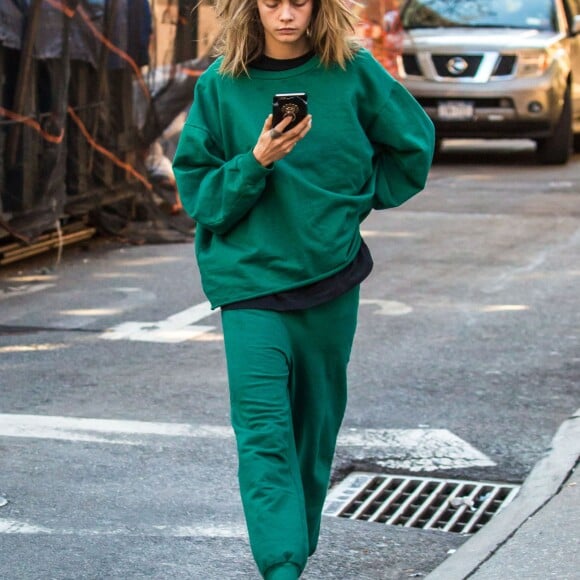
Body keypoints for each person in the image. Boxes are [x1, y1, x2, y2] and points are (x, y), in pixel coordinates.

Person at [172, 0, 434, 577]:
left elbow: (413, 144)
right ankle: (282, 566)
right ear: (251, 7)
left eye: (298, 1)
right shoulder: (220, 86)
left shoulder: (353, 71)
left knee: (314, 434)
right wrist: (257, 160)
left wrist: (351, 203)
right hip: (249, 285)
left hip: (330, 280)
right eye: (272, 2)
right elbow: (201, 197)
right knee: (264, 434)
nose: (286, 14)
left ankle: (294, 547)